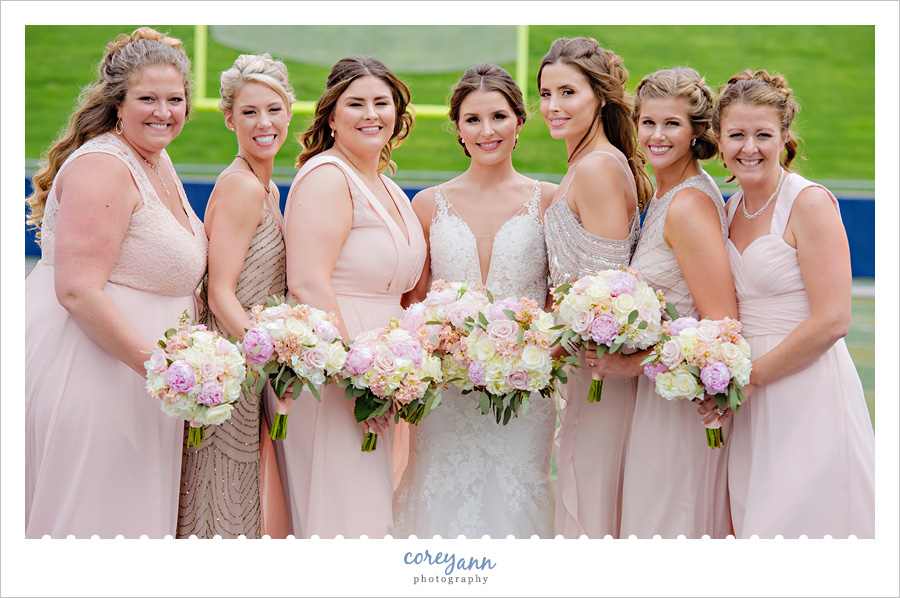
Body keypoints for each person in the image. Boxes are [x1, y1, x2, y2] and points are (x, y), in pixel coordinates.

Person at [24, 27, 208, 538]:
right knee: (94, 521)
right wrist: (163, 370)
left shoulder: (157, 158)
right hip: (96, 371)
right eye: (147, 98)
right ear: (117, 104)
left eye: (175, 99)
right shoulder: (104, 166)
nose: (163, 111)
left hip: (144, 378)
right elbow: (77, 291)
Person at [700, 69, 875, 538]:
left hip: (804, 386)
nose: (749, 147)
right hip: (747, 398)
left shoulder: (809, 203)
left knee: (804, 524)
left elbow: (833, 320)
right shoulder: (729, 208)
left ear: (784, 138)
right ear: (719, 141)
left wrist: (752, 378)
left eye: (763, 135)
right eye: (736, 134)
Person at [393, 64, 558, 539]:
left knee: (518, 496)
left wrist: (529, 349)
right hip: (445, 393)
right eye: (472, 119)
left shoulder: (549, 200)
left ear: (519, 122)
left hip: (526, 389)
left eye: (499, 117)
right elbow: (414, 301)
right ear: (458, 128)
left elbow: (556, 298)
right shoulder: (428, 204)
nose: (487, 131)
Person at [585, 67, 738, 538]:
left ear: (697, 132)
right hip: (660, 392)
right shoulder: (665, 195)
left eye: (672, 124)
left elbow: (721, 324)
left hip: (677, 406)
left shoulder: (689, 206)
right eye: (648, 122)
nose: (656, 135)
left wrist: (630, 366)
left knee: (666, 527)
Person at [277, 56, 426, 539]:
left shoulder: (388, 187)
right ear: (331, 116)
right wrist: (355, 377)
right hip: (338, 375)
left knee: (371, 515)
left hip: (383, 374)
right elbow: (308, 283)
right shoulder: (327, 176)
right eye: (355, 103)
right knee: (342, 517)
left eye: (381, 103)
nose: (371, 114)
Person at [538, 37, 653, 539]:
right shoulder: (582, 164)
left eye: (568, 92)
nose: (553, 106)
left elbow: (609, 287)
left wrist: (567, 343)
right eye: (545, 93)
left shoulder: (600, 168)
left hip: (598, 370)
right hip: (579, 367)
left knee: (594, 501)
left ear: (599, 99)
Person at [177, 54, 294, 539]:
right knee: (217, 496)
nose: (263, 123)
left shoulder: (267, 187)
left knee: (243, 492)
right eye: (249, 112)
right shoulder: (243, 187)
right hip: (231, 368)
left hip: (247, 366)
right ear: (229, 118)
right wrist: (273, 361)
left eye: (274, 109)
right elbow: (220, 292)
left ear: (290, 111)